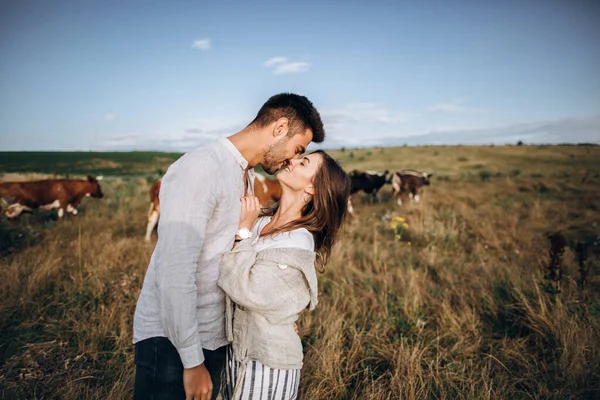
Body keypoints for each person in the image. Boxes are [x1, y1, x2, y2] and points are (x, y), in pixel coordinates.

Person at [132, 93, 326, 400]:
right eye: (298, 149)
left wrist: (280, 316)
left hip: (212, 338)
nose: (292, 160)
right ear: (279, 127)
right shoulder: (202, 167)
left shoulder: (244, 175)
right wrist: (192, 362)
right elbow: (174, 272)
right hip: (172, 342)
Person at [217, 150, 351, 400]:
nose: (293, 161)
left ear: (312, 187)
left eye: (304, 162)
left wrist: (242, 232)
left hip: (268, 362)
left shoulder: (298, 241)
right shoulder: (259, 221)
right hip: (235, 352)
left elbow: (249, 291)